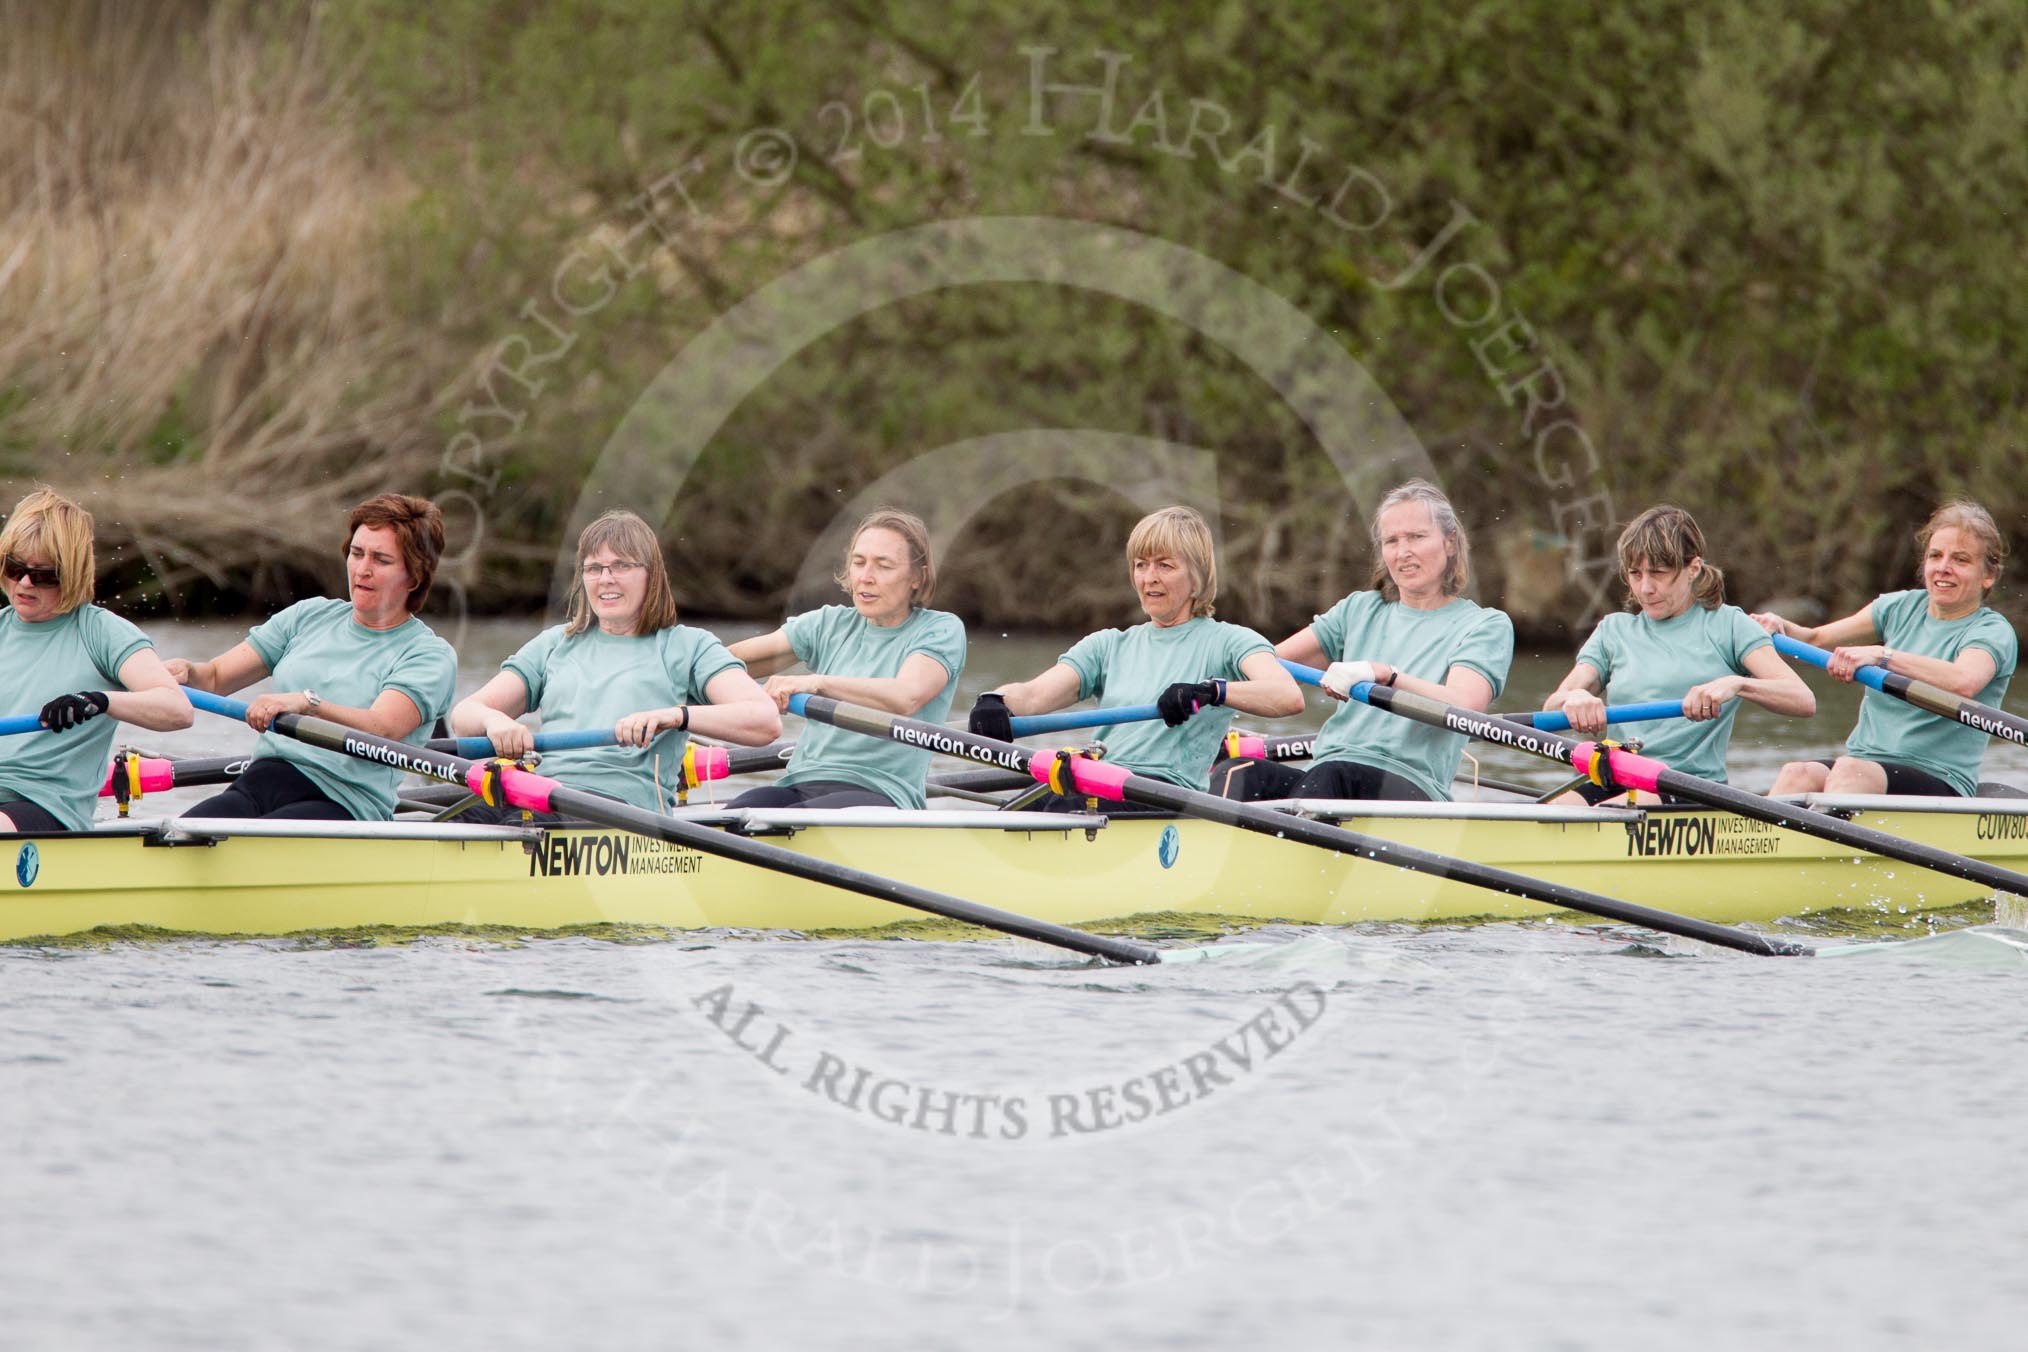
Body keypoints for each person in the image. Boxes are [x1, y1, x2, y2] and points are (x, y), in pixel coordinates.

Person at [450, 509, 779, 820]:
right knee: (458, 815)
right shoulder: (553, 645)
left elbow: (765, 720)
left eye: (621, 566)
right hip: (545, 796)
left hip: (625, 812)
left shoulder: (688, 646)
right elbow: (464, 716)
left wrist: (675, 716)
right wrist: (495, 721)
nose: (605, 579)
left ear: (651, 575)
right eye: (594, 568)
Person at [967, 505, 1302, 801]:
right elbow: (1034, 696)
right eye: (1141, 565)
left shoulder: (1229, 641)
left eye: (1165, 566)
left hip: (1166, 795)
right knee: (1029, 806)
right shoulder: (1107, 646)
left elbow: (1287, 696)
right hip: (1102, 785)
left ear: (1197, 579)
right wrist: (996, 700)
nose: (1149, 578)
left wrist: (1212, 691)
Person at [1219, 479, 1514, 802]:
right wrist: (1203, 686)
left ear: (1450, 543)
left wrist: (1385, 675)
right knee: (1236, 772)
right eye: (1392, 541)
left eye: (1416, 537)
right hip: (1329, 773)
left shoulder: (1485, 625)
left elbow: (1464, 706)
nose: (1403, 552)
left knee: (1334, 773)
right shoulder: (1359, 609)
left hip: (1408, 786)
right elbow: (1264, 667)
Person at [169, 493, 458, 821]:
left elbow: (382, 727)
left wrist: (308, 704)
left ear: (414, 577)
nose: (363, 569)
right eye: (357, 553)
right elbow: (216, 679)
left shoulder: (428, 655)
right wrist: (187, 672)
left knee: (243, 847)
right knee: (181, 834)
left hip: (346, 803)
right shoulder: (308, 616)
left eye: (381, 559)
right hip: (261, 781)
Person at [1540, 505, 1814, 804]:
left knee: (1600, 818)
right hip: (1617, 777)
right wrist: (1573, 698)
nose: (1645, 588)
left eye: (1658, 573)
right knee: (1544, 822)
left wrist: (1737, 684)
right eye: (1635, 573)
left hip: (1687, 787)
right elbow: (1551, 708)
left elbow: (1802, 699)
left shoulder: (1729, 625)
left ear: (1693, 569)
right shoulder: (1613, 631)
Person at [1756, 500, 2016, 797]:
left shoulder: (1992, 631)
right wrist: (1779, 626)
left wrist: (1882, 655)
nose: (1943, 568)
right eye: (1935, 556)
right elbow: (1814, 638)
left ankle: (1831, 834)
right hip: (1864, 765)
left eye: (1960, 560)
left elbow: (1964, 681)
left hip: (1938, 777)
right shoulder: (1899, 607)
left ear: (1989, 575)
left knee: (1849, 770)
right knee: (1797, 773)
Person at [728, 508, 964, 809]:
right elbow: (732, 662)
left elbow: (907, 696)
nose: (865, 578)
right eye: (859, 562)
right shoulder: (829, 624)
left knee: (785, 825)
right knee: (738, 814)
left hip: (880, 792)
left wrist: (817, 683)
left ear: (917, 577)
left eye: (884, 566)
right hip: (800, 782)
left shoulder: (940, 629)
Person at [0, 489, 192, 832]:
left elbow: (177, 709)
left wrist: (99, 701)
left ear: (72, 572)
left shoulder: (101, 632)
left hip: (44, 805)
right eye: (15, 568)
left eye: (43, 575)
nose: (25, 582)